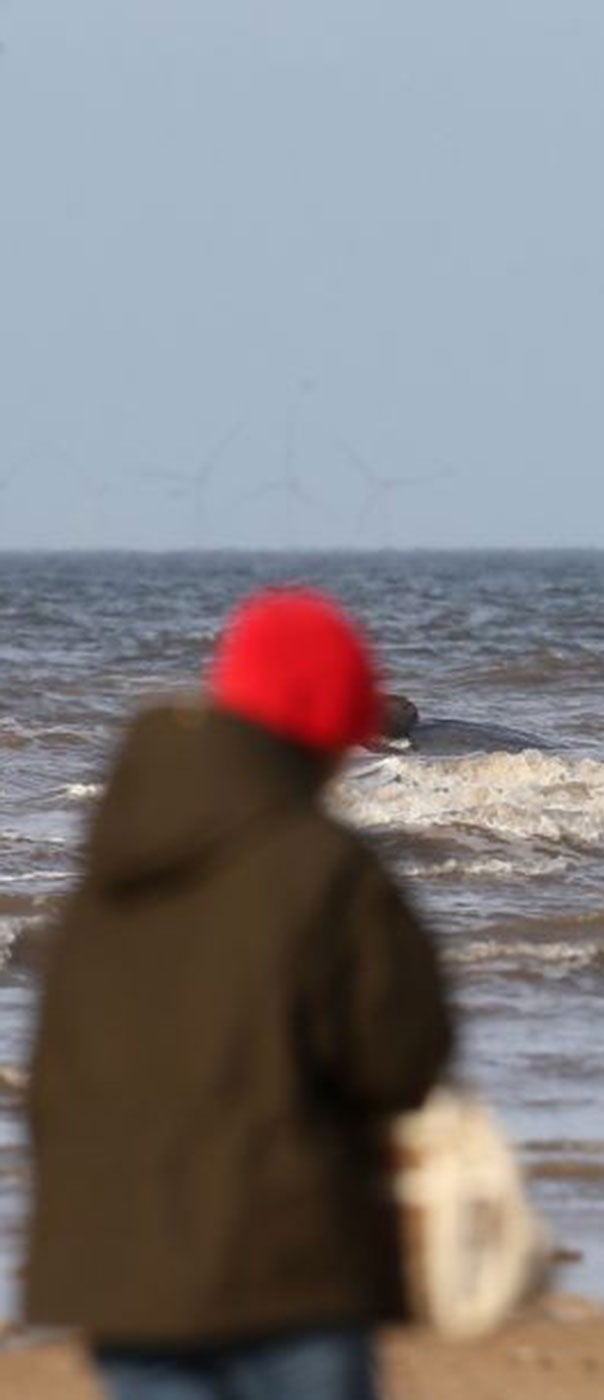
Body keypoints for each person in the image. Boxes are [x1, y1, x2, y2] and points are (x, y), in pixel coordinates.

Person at [23, 589, 456, 1400]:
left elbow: (55, 1071)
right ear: (334, 728)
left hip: (125, 1271)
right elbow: (405, 1056)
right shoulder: (325, 865)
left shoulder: (109, 873)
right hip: (288, 1262)